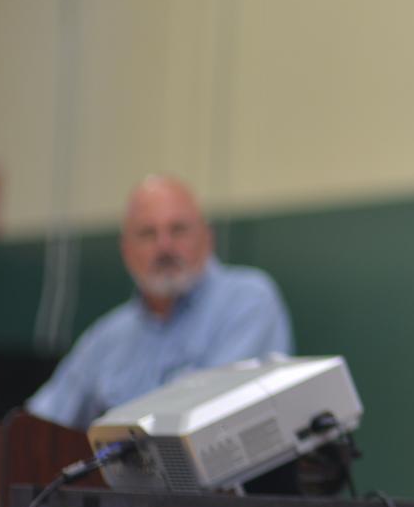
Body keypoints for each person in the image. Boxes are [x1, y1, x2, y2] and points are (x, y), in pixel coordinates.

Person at [27, 175, 293, 429]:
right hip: (117, 476)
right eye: (147, 233)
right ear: (126, 250)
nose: (164, 246)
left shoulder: (247, 301)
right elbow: (39, 421)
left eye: (178, 230)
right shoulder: (106, 338)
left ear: (207, 237)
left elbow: (215, 419)